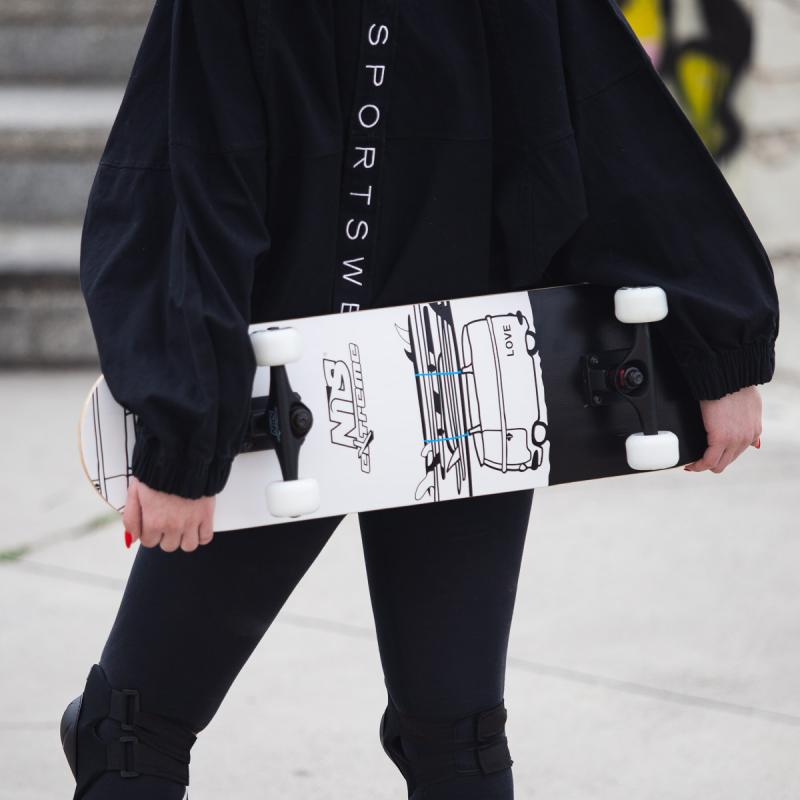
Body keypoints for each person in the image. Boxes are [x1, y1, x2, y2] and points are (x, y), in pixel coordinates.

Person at [60, 1, 778, 798]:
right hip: (268, 393)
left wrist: (720, 349)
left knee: (460, 743)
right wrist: (184, 432)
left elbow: (610, 119)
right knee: (135, 735)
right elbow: (191, 170)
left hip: (467, 377)